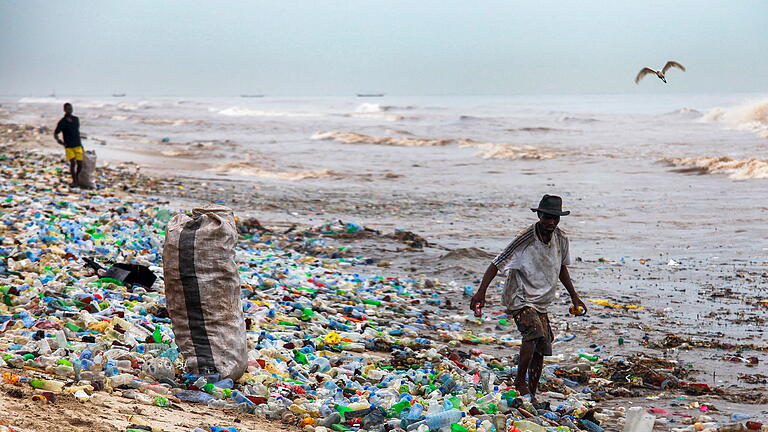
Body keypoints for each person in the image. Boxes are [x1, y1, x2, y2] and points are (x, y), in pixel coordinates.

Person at [470, 194, 587, 400]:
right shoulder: (526, 238)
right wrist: (481, 293)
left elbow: (561, 268)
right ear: (539, 215)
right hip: (520, 296)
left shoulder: (561, 238)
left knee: (543, 345)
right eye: (547, 217)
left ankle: (531, 393)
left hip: (541, 300)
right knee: (533, 333)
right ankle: (519, 381)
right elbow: (496, 263)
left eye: (555, 218)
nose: (551, 222)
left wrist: (574, 296)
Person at [53, 102, 83, 187]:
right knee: (73, 163)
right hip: (69, 146)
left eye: (71, 108)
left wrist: (81, 145)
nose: (70, 110)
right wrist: (58, 140)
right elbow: (56, 133)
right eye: (68, 109)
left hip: (78, 144)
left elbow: (77, 132)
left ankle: (76, 178)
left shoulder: (76, 119)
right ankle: (75, 182)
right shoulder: (62, 122)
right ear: (64, 110)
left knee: (80, 164)